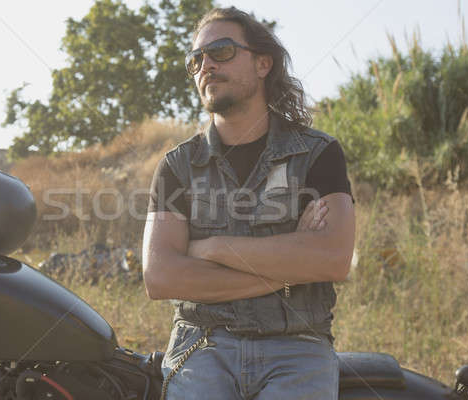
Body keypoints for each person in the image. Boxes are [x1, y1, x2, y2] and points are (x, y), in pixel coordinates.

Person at [142, 6, 355, 400]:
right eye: (196, 59)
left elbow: (333, 259)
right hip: (201, 345)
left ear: (262, 63)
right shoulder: (177, 166)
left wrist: (214, 248)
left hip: (298, 346)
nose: (205, 65)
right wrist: (288, 269)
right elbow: (161, 276)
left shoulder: (317, 154)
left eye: (221, 51)